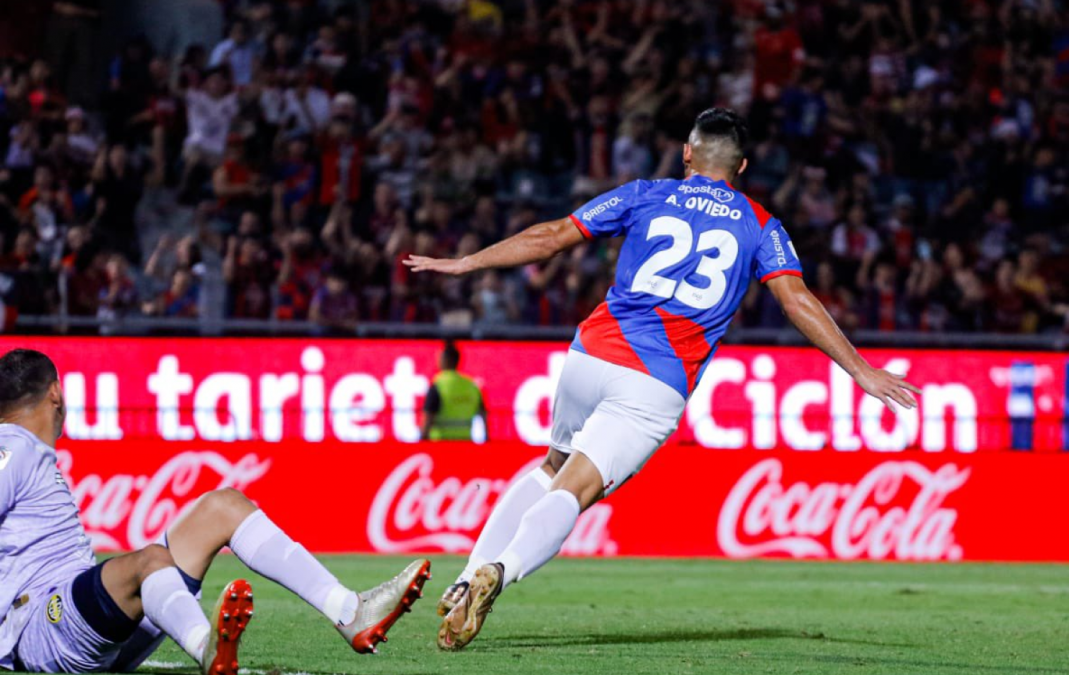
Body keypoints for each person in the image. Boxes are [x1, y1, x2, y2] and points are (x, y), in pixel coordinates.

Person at [405, 108, 921, 651]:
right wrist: (861, 370)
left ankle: (468, 574)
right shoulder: (761, 224)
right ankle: (500, 573)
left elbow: (553, 236)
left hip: (591, 354)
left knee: (551, 465)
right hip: (656, 380)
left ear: (686, 153)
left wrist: (467, 262)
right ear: (741, 165)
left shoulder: (644, 193)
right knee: (575, 490)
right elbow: (796, 299)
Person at [0, 349, 430, 674]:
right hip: (43, 629)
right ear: (56, 392)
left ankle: (350, 611)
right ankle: (209, 648)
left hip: (91, 629)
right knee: (150, 562)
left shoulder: (24, 450)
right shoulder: (11, 446)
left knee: (224, 507)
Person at [421, 341, 487, 442]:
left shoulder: (438, 386)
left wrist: (422, 443)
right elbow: (484, 417)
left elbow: (427, 421)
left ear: (445, 360)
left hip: (441, 446)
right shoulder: (472, 386)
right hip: (465, 445)